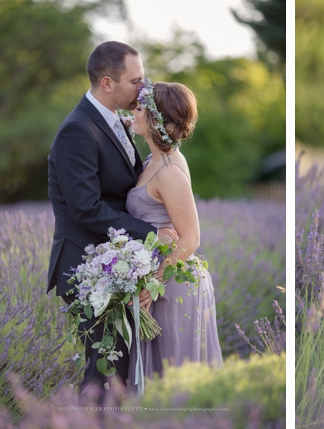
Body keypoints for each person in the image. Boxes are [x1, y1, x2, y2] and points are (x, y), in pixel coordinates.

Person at [47, 41, 178, 396]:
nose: (144, 87)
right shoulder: (78, 131)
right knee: (106, 371)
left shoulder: (115, 121)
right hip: (88, 266)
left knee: (122, 370)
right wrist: (152, 232)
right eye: (135, 80)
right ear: (107, 83)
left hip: (119, 263)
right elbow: (86, 208)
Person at [125, 79, 223, 387]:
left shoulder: (169, 170)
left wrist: (152, 283)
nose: (133, 112)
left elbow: (191, 238)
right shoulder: (155, 159)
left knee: (173, 378)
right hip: (161, 278)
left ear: (154, 119)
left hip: (172, 283)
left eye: (140, 108)